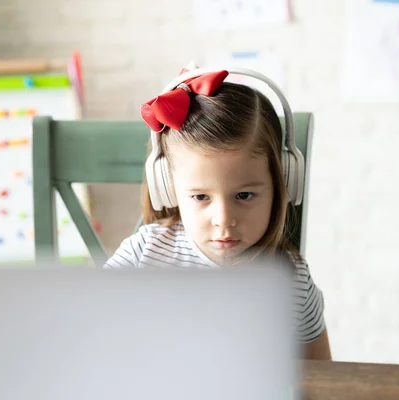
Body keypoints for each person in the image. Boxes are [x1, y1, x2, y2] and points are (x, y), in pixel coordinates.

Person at [104, 66, 331, 360]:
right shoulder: (142, 254)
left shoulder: (291, 280)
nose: (224, 218)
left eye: (244, 195)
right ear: (167, 188)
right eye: (200, 196)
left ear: (282, 184)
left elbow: (324, 376)